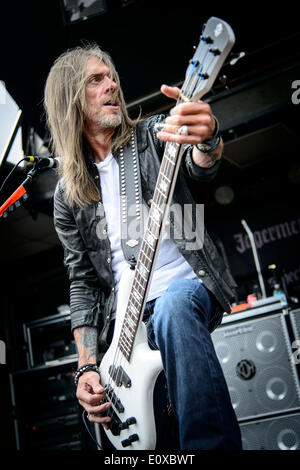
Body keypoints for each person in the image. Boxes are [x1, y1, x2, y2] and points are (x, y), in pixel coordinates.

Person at [44, 44, 242, 450]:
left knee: (173, 307)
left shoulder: (152, 136)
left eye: (112, 75)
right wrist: (87, 367)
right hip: (125, 330)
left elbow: (198, 168)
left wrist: (209, 141)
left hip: (186, 291)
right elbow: (82, 281)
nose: (111, 84)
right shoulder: (68, 196)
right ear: (70, 100)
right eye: (95, 79)